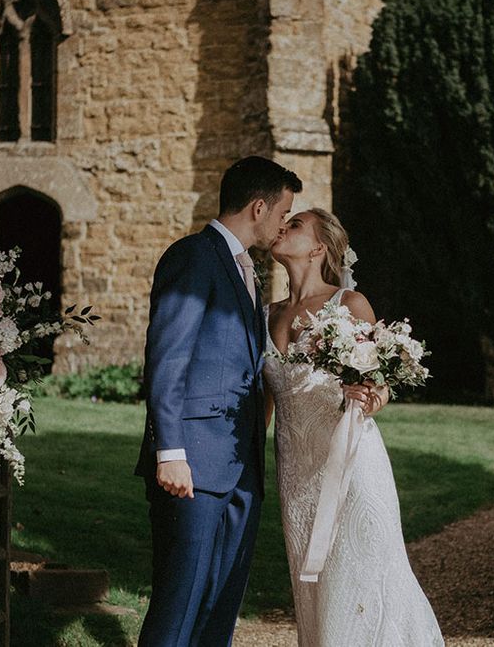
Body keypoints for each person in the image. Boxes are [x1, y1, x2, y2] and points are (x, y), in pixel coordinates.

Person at [135, 156, 302, 646]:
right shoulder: (193, 257)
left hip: (239, 469)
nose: (281, 225)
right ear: (258, 207)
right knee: (179, 603)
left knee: (219, 605)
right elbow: (167, 362)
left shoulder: (245, 270)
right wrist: (171, 452)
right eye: (281, 213)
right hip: (191, 468)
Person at [264, 207, 444, 646]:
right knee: (315, 587)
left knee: (363, 575)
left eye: (296, 225)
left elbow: (378, 384)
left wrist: (370, 397)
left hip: (351, 463)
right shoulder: (262, 311)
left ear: (319, 247)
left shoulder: (348, 305)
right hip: (296, 472)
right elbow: (263, 402)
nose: (282, 226)